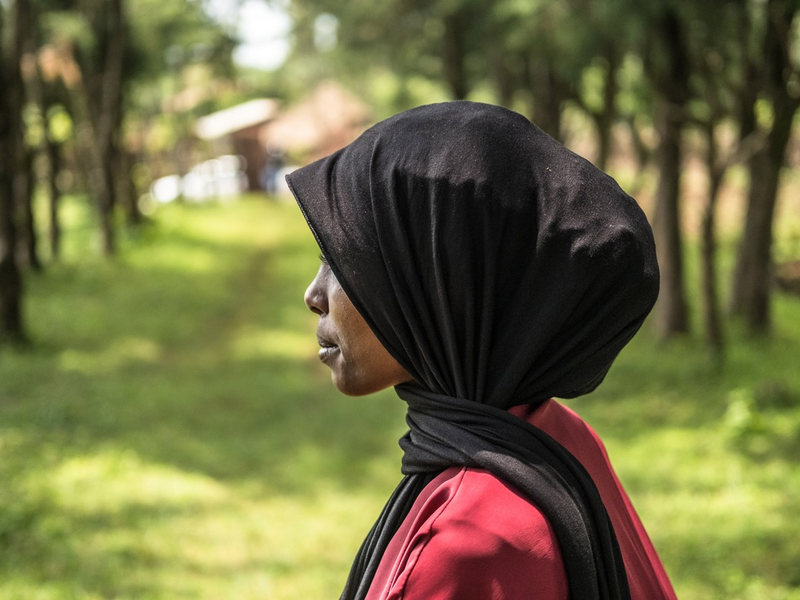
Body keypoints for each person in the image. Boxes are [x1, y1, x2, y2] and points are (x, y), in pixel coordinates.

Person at [287, 101, 677, 600]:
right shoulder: (551, 436)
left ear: (436, 283)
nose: (313, 295)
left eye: (338, 261)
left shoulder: (465, 548)